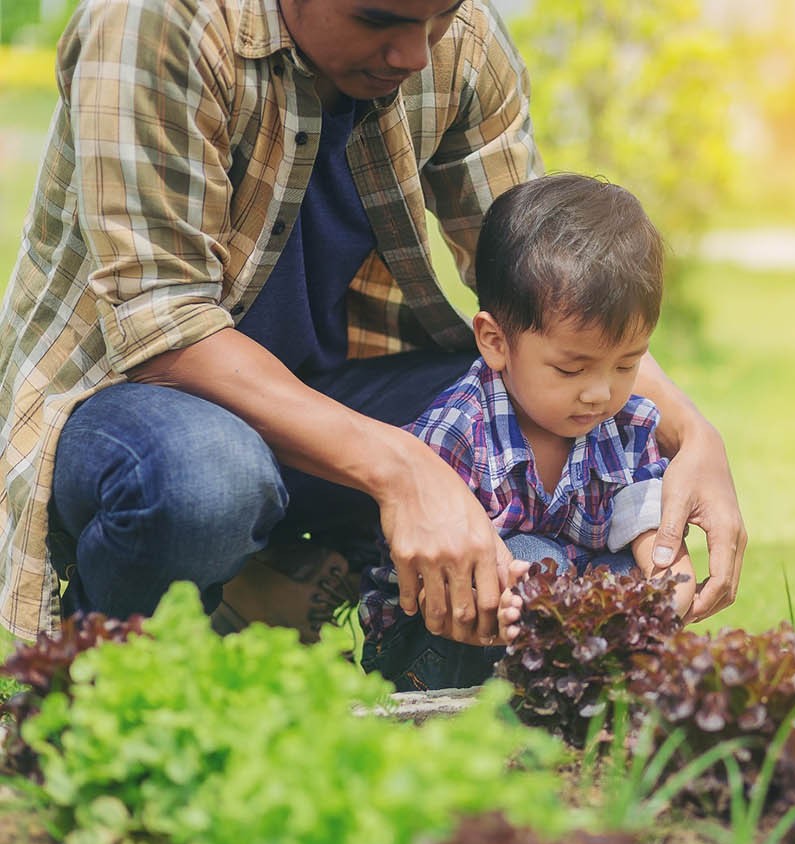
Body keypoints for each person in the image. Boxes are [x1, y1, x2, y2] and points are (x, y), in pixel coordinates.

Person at [0, 0, 746, 647]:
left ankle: (296, 588)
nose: (415, 53)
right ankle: (102, 677)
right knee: (209, 480)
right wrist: (403, 466)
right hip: (126, 407)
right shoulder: (157, 24)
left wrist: (689, 431)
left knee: (535, 408)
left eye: (439, 17)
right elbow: (162, 329)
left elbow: (546, 291)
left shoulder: (461, 43)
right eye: (377, 18)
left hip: (325, 391)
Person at [359, 173, 696, 690]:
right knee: (538, 562)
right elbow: (434, 578)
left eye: (626, 364)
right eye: (571, 368)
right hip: (437, 639)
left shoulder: (626, 422)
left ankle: (593, 696)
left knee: (616, 574)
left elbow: (649, 525)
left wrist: (664, 585)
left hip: (553, 637)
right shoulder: (458, 432)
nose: (599, 393)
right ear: (495, 341)